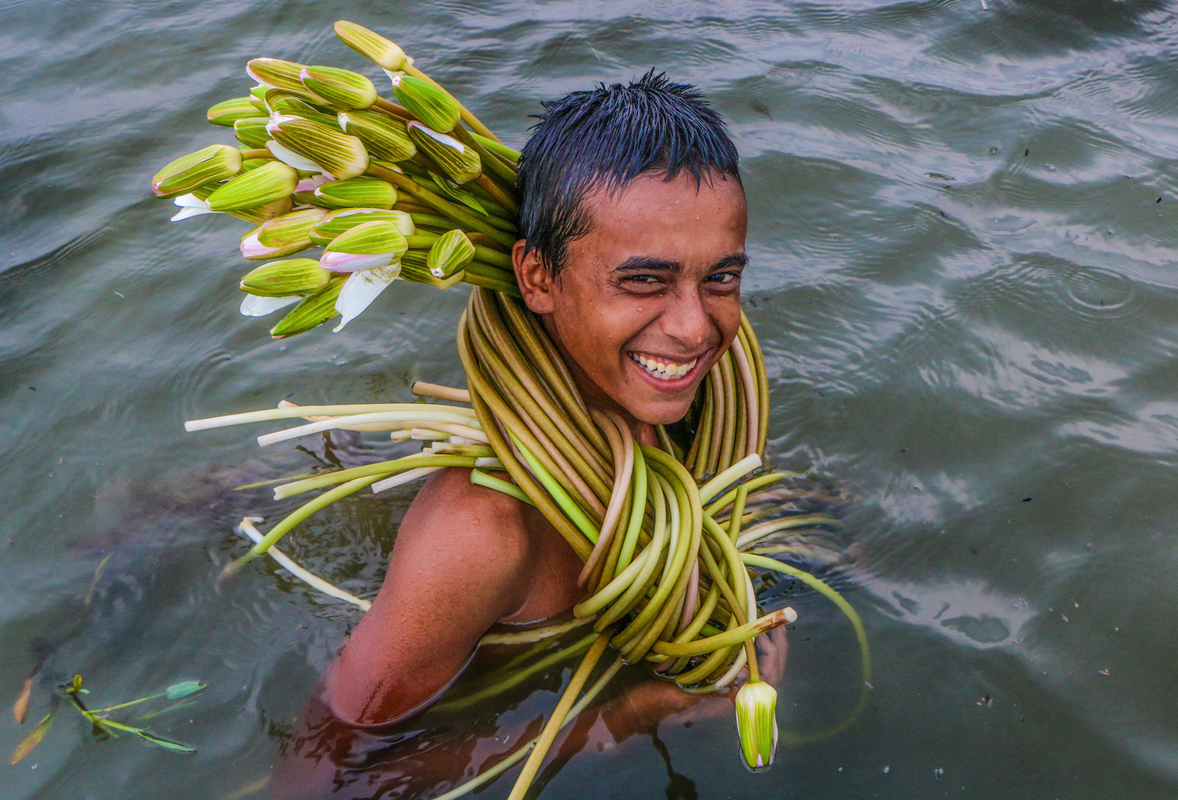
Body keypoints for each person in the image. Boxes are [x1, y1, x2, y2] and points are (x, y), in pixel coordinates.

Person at [280, 71, 786, 795]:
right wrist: (621, 721)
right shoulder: (482, 532)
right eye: (644, 281)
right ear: (536, 277)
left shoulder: (694, 416)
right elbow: (321, 775)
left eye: (721, 279)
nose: (694, 327)